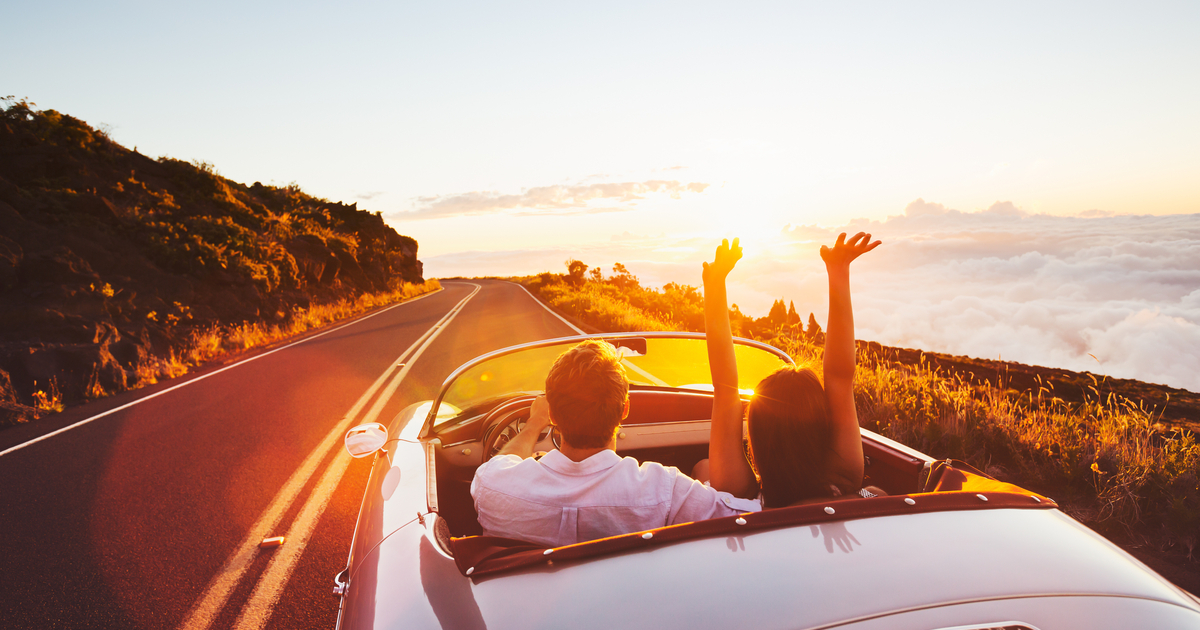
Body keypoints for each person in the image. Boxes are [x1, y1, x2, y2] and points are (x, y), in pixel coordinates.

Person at [471, 339, 760, 547]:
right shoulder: (665, 491)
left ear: (554, 415)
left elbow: (501, 463)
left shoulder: (492, 485)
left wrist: (534, 424)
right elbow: (751, 516)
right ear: (625, 410)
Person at [701, 233, 882, 508]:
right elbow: (839, 377)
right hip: (851, 497)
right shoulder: (845, 480)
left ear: (756, 440)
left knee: (702, 469)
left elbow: (726, 389)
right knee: (875, 491)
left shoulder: (740, 495)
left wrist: (714, 285)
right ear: (824, 430)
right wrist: (838, 271)